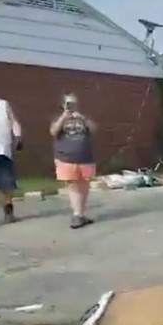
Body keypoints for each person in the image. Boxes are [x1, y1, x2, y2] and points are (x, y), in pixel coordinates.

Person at [49, 93, 97, 229]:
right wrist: (64, 117)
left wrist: (83, 119)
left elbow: (94, 129)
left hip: (85, 158)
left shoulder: (83, 118)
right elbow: (53, 132)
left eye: (74, 103)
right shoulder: (58, 118)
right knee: (73, 186)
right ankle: (77, 215)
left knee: (84, 186)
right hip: (66, 158)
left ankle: (81, 214)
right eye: (69, 103)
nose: (71, 106)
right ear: (63, 105)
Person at [0, 77, 23, 225]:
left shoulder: (3, 104)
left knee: (7, 184)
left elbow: (14, 121)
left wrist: (18, 136)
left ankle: (8, 209)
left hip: (2, 151)